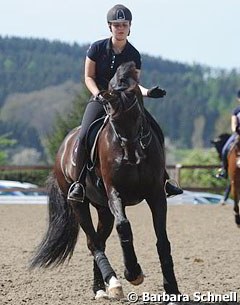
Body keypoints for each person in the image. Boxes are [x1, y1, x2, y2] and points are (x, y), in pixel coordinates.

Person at [68, 4, 183, 201]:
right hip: (100, 98)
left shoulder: (133, 54)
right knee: (85, 133)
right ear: (109, 27)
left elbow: (134, 84)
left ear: (130, 27)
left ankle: (164, 180)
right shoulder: (96, 48)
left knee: (155, 131)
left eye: (124, 25)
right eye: (116, 25)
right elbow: (88, 77)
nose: (120, 28)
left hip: (125, 102)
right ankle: (78, 183)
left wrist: (148, 92)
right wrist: (98, 94)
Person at [216, 89, 240, 179]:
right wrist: (235, 129)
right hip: (238, 134)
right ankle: (224, 170)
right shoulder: (236, 111)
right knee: (225, 149)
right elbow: (234, 124)